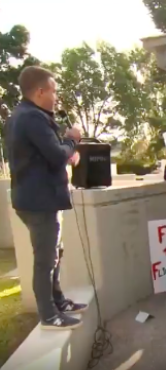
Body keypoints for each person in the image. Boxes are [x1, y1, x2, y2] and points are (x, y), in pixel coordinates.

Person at [5, 66, 87, 330]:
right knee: (45, 260)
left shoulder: (26, 115)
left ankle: (58, 301)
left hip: (38, 199)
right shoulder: (31, 118)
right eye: (53, 91)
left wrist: (65, 148)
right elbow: (55, 154)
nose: (56, 97)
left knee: (54, 254)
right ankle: (49, 315)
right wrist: (72, 141)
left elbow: (46, 154)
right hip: (40, 201)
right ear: (40, 91)